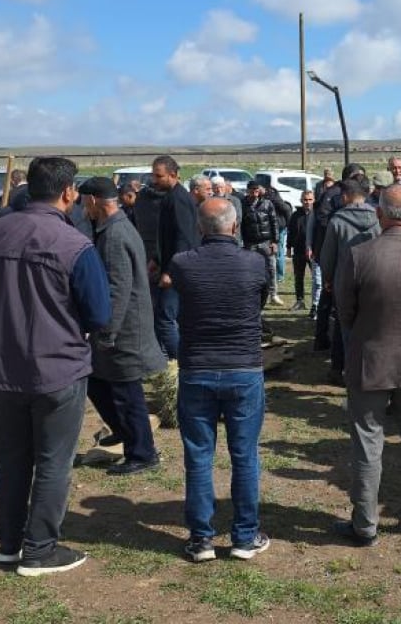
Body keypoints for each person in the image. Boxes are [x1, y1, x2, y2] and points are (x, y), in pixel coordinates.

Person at [0, 156, 111, 576]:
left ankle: (9, 545)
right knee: (53, 461)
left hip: (3, 367)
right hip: (58, 369)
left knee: (11, 459)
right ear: (69, 193)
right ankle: (40, 549)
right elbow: (99, 314)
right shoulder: (75, 246)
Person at [333, 184, 401, 545]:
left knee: (368, 444)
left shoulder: (359, 255)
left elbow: (344, 311)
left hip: (371, 361)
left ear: (379, 214)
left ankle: (365, 524)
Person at [170, 198, 272, 562]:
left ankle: (202, 540)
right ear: (235, 226)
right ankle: (244, 536)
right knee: (244, 455)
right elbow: (258, 302)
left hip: (198, 367)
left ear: (200, 228)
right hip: (243, 367)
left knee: (199, 457)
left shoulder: (182, 264)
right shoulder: (255, 263)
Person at [78, 177, 167, 476]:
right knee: (97, 380)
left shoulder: (115, 234)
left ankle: (142, 452)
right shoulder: (112, 228)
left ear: (93, 200)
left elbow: (118, 288)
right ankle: (124, 432)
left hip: (125, 328)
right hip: (121, 325)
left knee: (127, 393)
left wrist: (107, 332)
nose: (81, 208)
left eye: (83, 202)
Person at [319, 176, 381, 383]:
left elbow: (328, 257)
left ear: (345, 197)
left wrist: (328, 279)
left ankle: (352, 378)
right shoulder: (379, 218)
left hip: (345, 285)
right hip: (375, 283)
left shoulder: (337, 221)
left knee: (348, 332)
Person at [151, 155, 200, 360]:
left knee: (165, 318)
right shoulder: (172, 196)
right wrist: (156, 259)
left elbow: (183, 237)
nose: (154, 180)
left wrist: (170, 271)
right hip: (175, 266)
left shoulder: (179, 199)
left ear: (173, 175)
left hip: (179, 270)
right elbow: (168, 236)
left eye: (158, 176)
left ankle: (181, 363)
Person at [242, 181, 283, 306]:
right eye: (252, 189)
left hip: (266, 242)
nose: (255, 192)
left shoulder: (267, 203)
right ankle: (251, 294)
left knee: (271, 268)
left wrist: (275, 242)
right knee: (250, 269)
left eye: (257, 189)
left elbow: (274, 223)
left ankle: (273, 294)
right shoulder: (243, 204)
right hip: (250, 243)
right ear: (248, 190)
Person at [287, 189, 319, 313]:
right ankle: (300, 301)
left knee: (316, 278)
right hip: (299, 250)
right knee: (298, 277)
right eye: (305, 200)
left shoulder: (317, 214)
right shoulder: (296, 215)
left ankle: (316, 303)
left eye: (310, 199)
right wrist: (289, 247)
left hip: (313, 251)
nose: (307, 202)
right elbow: (291, 232)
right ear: (301, 200)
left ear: (314, 200)